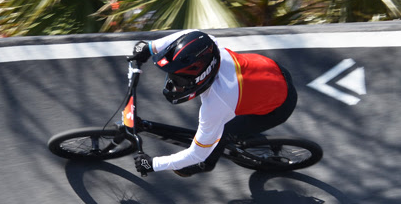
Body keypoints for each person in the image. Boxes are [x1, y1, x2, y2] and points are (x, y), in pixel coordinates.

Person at [127, 30, 298, 177]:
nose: (174, 85)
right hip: (273, 72)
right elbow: (189, 36)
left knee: (221, 135)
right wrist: (150, 47)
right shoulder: (209, 45)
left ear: (201, 76)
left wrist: (153, 164)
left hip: (280, 106)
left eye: (180, 80)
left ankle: (207, 166)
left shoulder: (217, 104)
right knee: (224, 126)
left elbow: (196, 154)